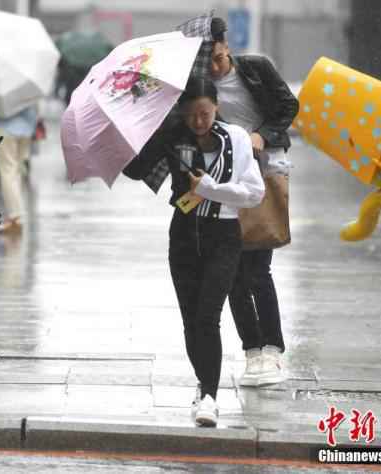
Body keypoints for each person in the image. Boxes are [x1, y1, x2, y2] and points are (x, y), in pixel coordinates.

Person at [123, 79, 264, 426]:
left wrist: (210, 188)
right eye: (191, 114)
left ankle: (210, 398)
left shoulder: (237, 139)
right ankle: (204, 386)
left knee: (207, 316)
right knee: (191, 321)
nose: (199, 121)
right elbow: (134, 169)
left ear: (216, 107)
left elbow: (254, 193)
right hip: (184, 235)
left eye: (204, 112)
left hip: (224, 237)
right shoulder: (174, 136)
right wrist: (152, 127)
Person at [204, 17, 299, 386]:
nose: (212, 67)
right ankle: (251, 351)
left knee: (257, 267)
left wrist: (262, 135)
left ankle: (272, 350)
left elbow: (288, 106)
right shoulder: (198, 86)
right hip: (224, 179)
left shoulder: (256, 68)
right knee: (232, 275)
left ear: (225, 45)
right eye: (204, 62)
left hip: (264, 171)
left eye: (215, 57)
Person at [0, 105, 37, 234]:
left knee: (7, 171)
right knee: (17, 171)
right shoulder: (27, 85)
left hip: (5, 128)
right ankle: (17, 215)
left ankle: (15, 217)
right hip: (27, 127)